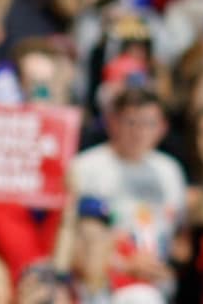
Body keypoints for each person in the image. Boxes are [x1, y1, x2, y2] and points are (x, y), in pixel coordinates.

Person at [70, 86, 188, 294]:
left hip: (157, 278)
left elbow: (178, 236)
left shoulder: (170, 171)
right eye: (131, 122)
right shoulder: (84, 167)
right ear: (112, 123)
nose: (140, 132)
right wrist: (124, 264)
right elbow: (71, 237)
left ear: (162, 128)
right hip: (101, 280)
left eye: (149, 124)